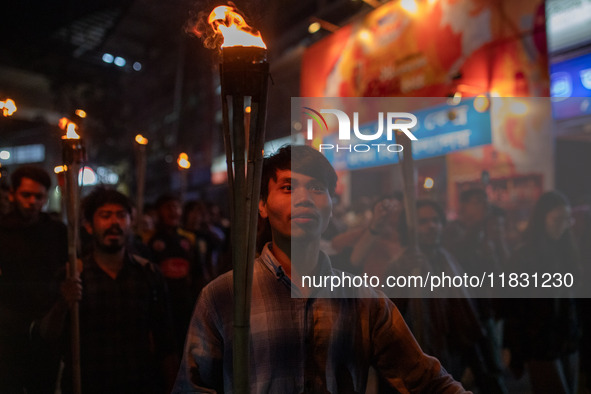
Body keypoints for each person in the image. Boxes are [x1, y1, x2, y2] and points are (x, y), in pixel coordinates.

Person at [173, 145, 469, 393]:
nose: (303, 198)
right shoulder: (224, 296)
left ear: (330, 203)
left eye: (317, 187)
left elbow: (426, 381)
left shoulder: (363, 300)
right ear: (262, 205)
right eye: (288, 187)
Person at [40, 187, 177, 394]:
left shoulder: (148, 273)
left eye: (121, 216)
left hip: (140, 383)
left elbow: (165, 340)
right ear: (88, 226)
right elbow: (48, 334)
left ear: (130, 222)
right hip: (87, 384)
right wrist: (63, 303)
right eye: (105, 216)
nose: (114, 223)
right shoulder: (73, 274)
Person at [504, 191, 580, 394]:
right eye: (557, 219)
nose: (563, 225)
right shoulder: (523, 257)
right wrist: (515, 350)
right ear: (542, 219)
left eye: (567, 219)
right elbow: (513, 307)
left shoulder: (567, 252)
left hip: (567, 340)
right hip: (540, 344)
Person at [0, 165, 67, 393]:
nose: (32, 201)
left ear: (46, 198)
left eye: (38, 196)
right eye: (25, 195)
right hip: (7, 332)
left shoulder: (56, 232)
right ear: (13, 194)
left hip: (45, 330)